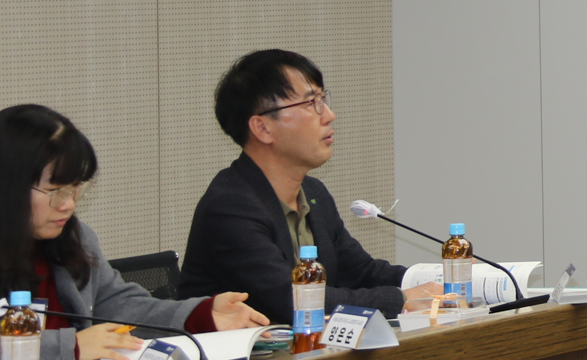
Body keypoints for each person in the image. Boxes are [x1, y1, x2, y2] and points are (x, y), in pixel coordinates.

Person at [0, 105, 267, 360]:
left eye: (75, 188)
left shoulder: (75, 239)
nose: (68, 204)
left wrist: (199, 315)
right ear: (4, 187)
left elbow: (119, 307)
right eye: (55, 191)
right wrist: (72, 346)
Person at [180, 50, 440, 322]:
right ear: (263, 128)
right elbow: (295, 301)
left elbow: (360, 272)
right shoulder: (231, 206)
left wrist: (441, 281)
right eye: (311, 103)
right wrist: (404, 299)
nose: (329, 115)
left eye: (323, 100)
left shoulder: (313, 193)